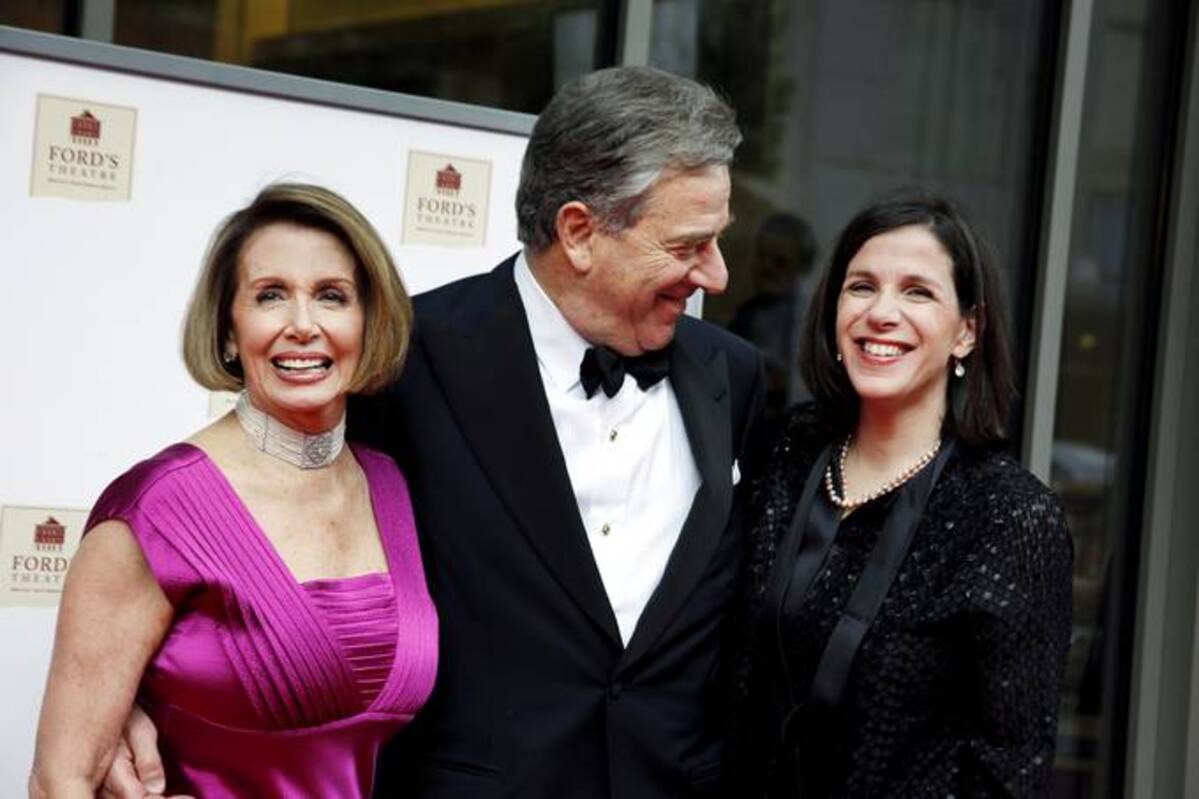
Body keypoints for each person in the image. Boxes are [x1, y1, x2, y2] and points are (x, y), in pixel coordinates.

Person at [102, 67, 765, 798]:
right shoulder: (403, 362)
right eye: (686, 245)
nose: (717, 274)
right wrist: (132, 695)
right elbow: (251, 522)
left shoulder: (732, 379)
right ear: (578, 231)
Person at [30, 184, 437, 798]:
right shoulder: (157, 509)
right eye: (271, 296)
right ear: (228, 328)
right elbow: (62, 780)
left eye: (332, 296)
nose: (303, 325)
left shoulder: (389, 485)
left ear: (369, 322)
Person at [727, 193, 1073, 797]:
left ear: (967, 331)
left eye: (918, 292)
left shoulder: (1009, 517)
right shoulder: (785, 457)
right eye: (862, 286)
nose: (882, 312)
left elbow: (1009, 771)